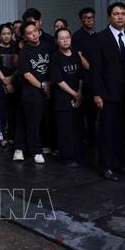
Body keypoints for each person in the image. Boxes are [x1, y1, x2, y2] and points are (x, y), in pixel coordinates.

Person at [92, 2, 125, 181]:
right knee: (107, 132)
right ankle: (106, 166)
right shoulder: (100, 38)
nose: (120, 17)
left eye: (123, 14)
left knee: (122, 131)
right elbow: (95, 68)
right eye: (116, 14)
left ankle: (119, 164)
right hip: (107, 93)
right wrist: (97, 93)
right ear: (110, 17)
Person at [14, 21, 52, 164]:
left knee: (39, 121)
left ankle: (28, 147)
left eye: (35, 30)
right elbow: (26, 74)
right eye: (29, 33)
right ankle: (35, 150)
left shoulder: (47, 46)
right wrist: (42, 86)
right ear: (24, 37)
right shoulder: (24, 52)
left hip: (46, 89)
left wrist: (49, 85)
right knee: (31, 122)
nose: (34, 34)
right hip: (31, 92)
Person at [50, 27, 84, 167]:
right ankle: (67, 158)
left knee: (77, 128)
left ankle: (78, 155)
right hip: (63, 99)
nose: (65, 40)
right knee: (65, 130)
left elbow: (81, 75)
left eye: (67, 37)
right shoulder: (55, 57)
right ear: (57, 41)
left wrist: (80, 93)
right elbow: (58, 80)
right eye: (61, 38)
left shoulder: (76, 54)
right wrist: (74, 94)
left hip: (78, 96)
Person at [0, 23, 17, 148]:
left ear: (12, 34)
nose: (6, 36)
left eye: (8, 34)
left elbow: (19, 66)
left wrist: (11, 80)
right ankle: (2, 137)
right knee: (0, 111)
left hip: (13, 81)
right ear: (0, 35)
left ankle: (11, 135)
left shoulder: (15, 47)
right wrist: (5, 81)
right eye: (3, 34)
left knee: (12, 110)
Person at [72, 7, 97, 144]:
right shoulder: (77, 36)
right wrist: (93, 70)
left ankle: (92, 137)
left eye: (91, 17)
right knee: (83, 110)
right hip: (84, 77)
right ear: (81, 19)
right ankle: (83, 138)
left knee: (93, 111)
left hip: (95, 78)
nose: (89, 20)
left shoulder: (96, 34)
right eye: (85, 18)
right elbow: (79, 57)